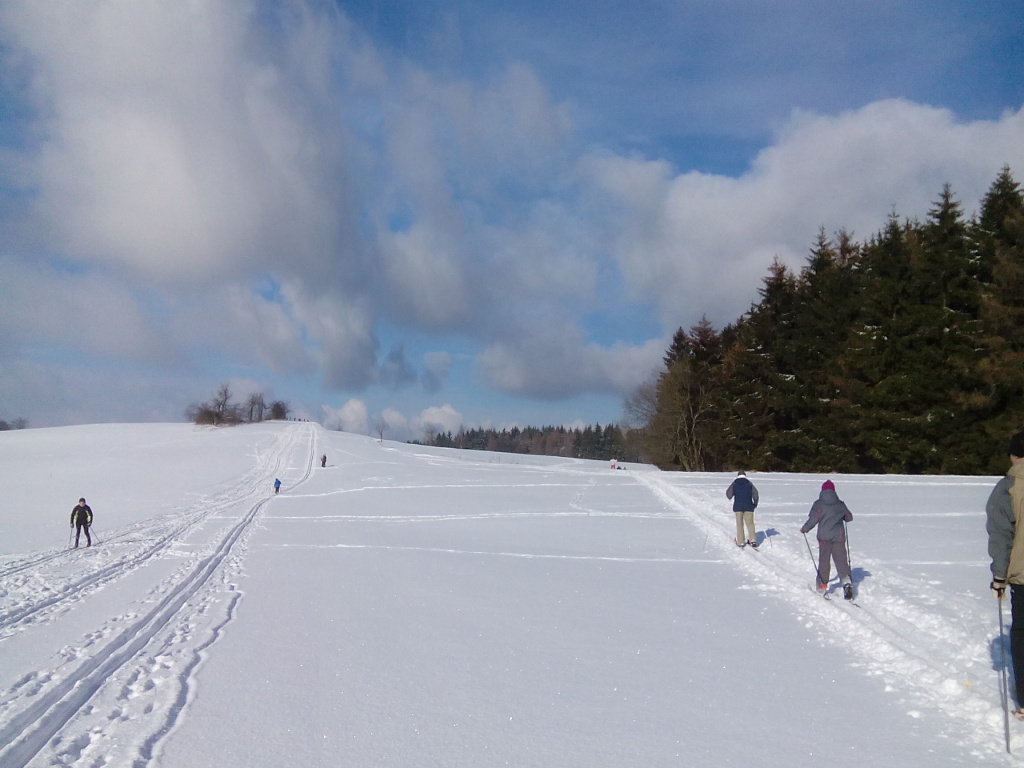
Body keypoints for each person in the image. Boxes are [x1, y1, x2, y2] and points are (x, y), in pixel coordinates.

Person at [986, 431, 1024, 718]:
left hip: (1022, 576)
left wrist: (999, 577)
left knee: (1022, 633)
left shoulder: (1007, 487)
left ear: (1013, 455)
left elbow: (1001, 536)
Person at [800, 480, 854, 599]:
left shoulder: (818, 504)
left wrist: (805, 528)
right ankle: (847, 582)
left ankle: (822, 586)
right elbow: (849, 517)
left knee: (824, 561)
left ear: (822, 491)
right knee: (841, 561)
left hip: (824, 538)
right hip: (839, 537)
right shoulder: (840, 503)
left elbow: (813, 519)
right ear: (833, 490)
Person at [725, 470, 759, 548]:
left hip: (738, 507)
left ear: (738, 476)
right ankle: (753, 540)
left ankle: (740, 542)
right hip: (749, 506)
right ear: (745, 475)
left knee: (739, 524)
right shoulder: (749, 483)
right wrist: (755, 503)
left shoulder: (735, 483)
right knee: (750, 524)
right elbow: (756, 494)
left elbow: (728, 494)